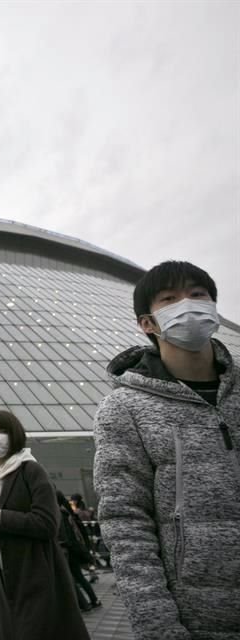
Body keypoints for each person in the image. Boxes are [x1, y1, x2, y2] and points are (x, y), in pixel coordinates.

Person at [94, 260, 240, 639]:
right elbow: (125, 523)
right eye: (170, 299)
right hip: (199, 618)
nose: (188, 305)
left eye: (198, 295)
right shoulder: (125, 408)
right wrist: (158, 626)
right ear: (147, 323)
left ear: (214, 309)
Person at [0, 410, 89, 640]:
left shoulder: (31, 471)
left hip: (36, 570)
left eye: (2, 431)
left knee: (37, 629)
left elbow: (48, 523)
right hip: (1, 575)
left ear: (14, 435)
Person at [56, 491, 101, 612]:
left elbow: (66, 536)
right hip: (73, 549)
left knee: (71, 579)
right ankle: (94, 600)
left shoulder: (60, 514)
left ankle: (85, 604)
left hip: (68, 550)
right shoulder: (67, 512)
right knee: (79, 577)